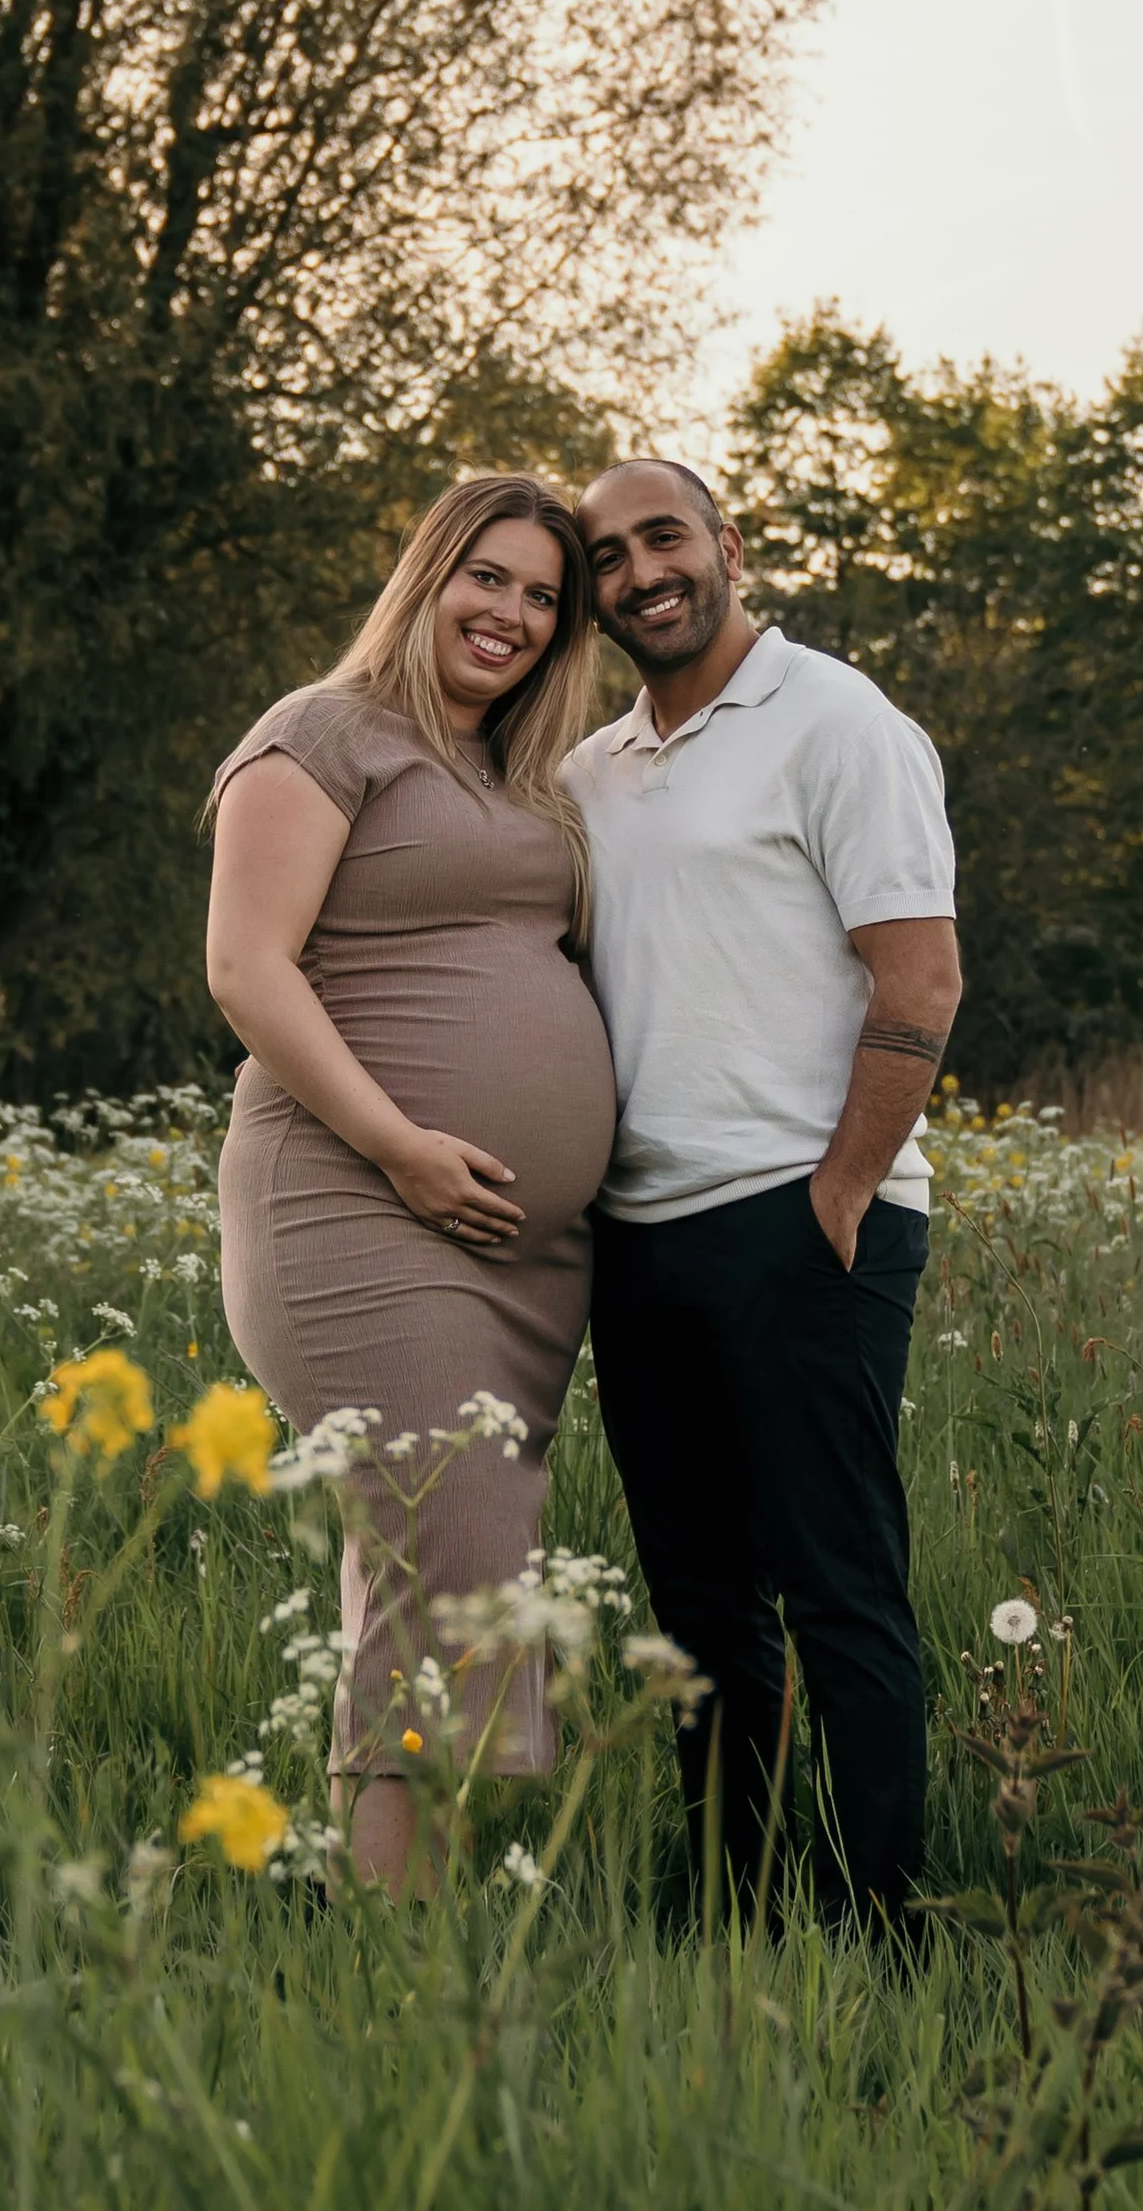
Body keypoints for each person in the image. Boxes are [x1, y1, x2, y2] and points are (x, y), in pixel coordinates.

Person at [205, 474, 614, 1895]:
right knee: (445, 1553)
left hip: (516, 1252)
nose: (511, 613)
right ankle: (392, 1923)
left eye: (543, 598)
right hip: (356, 1206)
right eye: (487, 577)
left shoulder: (517, 773)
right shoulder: (321, 736)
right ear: (428, 573)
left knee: (439, 1554)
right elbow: (247, 966)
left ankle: (375, 1909)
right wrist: (401, 1144)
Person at [569, 459, 960, 1931]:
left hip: (803, 1214)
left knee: (840, 1594)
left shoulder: (838, 720)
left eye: (662, 537)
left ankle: (887, 1928)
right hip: (641, 1237)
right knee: (702, 1615)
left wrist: (844, 1190)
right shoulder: (595, 768)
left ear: (729, 546)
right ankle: (733, 1907)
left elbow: (920, 972)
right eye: (606, 557)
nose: (639, 572)